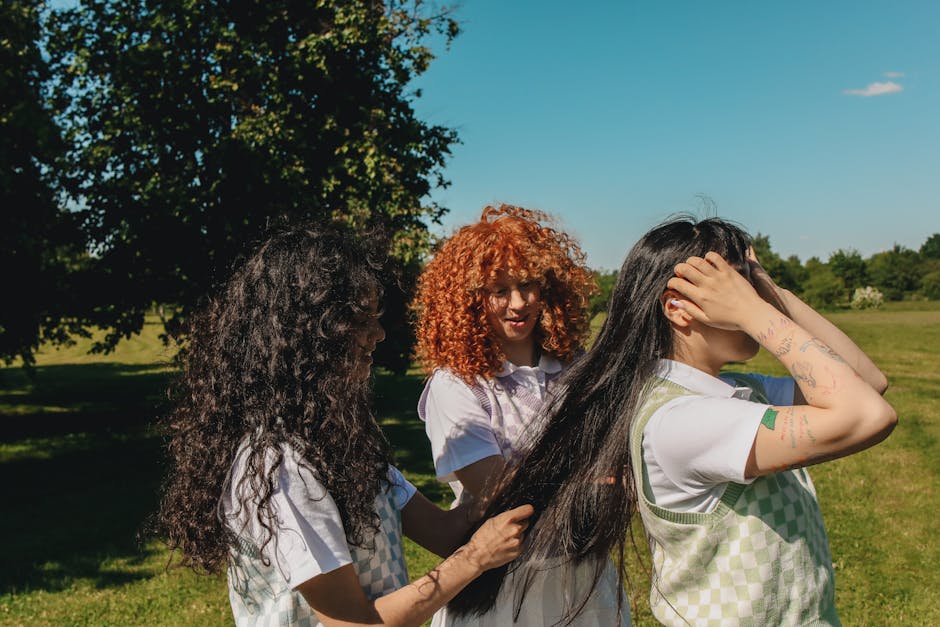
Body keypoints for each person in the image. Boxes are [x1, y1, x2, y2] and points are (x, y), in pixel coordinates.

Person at [449, 216, 896, 625]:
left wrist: (769, 292)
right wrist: (756, 314)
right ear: (679, 308)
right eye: (737, 291)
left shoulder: (737, 390)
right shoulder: (681, 420)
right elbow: (867, 416)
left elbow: (867, 382)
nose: (753, 303)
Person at [155, 223, 533, 627]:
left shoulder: (342, 446)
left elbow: (443, 530)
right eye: (361, 320)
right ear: (308, 336)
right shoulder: (279, 468)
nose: (379, 334)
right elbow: (356, 624)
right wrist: (475, 559)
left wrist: (508, 475)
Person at [412, 204, 629, 626]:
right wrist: (591, 481)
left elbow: (620, 456)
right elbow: (496, 489)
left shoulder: (576, 368)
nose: (518, 303)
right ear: (469, 299)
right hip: (501, 588)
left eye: (528, 284)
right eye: (498, 289)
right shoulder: (457, 384)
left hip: (586, 579)